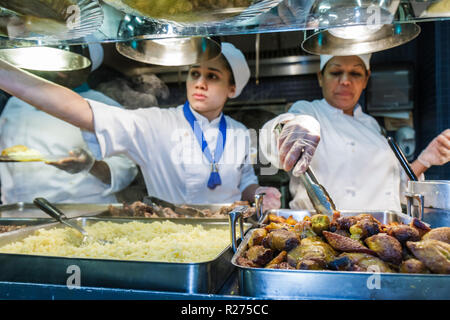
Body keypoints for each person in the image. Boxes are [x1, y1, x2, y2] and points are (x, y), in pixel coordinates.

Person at [0, 42, 281, 209]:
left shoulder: (240, 133)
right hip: (168, 234)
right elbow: (83, 111)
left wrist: (257, 193)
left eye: (213, 76)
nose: (200, 82)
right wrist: (8, 75)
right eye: (195, 73)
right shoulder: (156, 123)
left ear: (232, 89)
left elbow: (245, 182)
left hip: (228, 233)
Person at [260, 54, 450, 212]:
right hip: (321, 236)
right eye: (335, 72)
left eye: (355, 73)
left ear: (366, 79)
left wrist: (426, 159)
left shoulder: (374, 127)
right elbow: (274, 137)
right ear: (320, 77)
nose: (345, 81)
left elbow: (399, 190)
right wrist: (292, 126)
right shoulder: (308, 111)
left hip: (383, 234)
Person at [0, 44, 138, 204]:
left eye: (71, 62)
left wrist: (90, 166)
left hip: (82, 211)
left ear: (86, 69)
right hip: (19, 210)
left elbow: (127, 168)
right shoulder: (18, 102)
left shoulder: (103, 106)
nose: (60, 70)